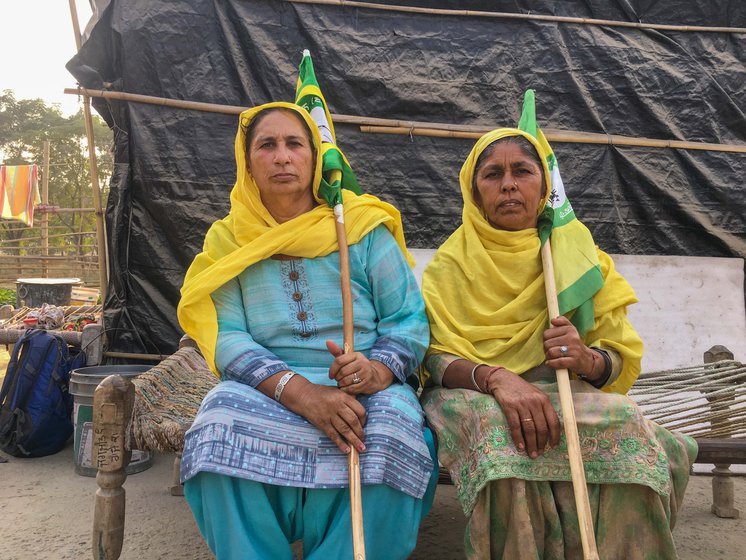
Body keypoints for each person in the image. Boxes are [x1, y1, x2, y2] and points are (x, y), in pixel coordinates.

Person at [420, 124, 697, 559]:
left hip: (566, 389)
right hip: (472, 391)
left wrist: (586, 358)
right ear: (474, 192)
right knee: (502, 432)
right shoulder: (450, 265)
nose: (508, 184)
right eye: (492, 174)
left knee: (626, 421)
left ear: (545, 184)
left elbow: (617, 357)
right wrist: (497, 379)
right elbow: (433, 359)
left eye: (523, 171)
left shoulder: (579, 255)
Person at [177, 102, 437, 560]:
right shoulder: (228, 239)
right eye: (267, 145)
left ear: (315, 158)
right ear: (247, 163)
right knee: (216, 423)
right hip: (268, 384)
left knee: (394, 431)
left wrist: (376, 371)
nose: (282, 157)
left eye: (295, 144)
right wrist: (301, 393)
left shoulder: (360, 227)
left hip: (365, 383)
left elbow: (408, 320)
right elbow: (228, 336)